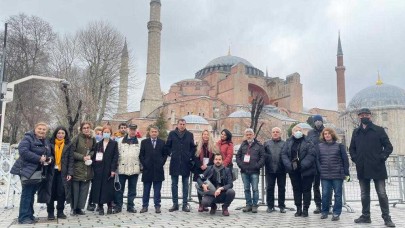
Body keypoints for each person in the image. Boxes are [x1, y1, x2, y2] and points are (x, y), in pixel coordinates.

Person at [349, 108, 395, 227]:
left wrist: (382, 157)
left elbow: (388, 147)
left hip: (377, 167)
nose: (364, 117)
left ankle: (387, 218)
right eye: (362, 115)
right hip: (362, 167)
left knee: (382, 193)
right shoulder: (356, 132)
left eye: (367, 115)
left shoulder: (379, 130)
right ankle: (366, 216)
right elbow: (352, 148)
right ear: (359, 117)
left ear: (370, 116)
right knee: (364, 193)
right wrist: (356, 159)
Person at [11, 122, 53, 224]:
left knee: (31, 193)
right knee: (27, 194)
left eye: (44, 129)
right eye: (40, 129)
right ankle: (23, 217)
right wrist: (39, 159)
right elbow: (24, 152)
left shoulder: (45, 141)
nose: (41, 131)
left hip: (38, 171)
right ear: (35, 129)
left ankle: (29, 215)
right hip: (27, 170)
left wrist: (49, 159)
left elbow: (49, 153)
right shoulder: (28, 138)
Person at [281, 125, 316, 217]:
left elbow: (311, 155)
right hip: (293, 170)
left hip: (306, 170)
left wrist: (302, 165)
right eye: (296, 130)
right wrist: (289, 165)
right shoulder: (288, 142)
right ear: (292, 132)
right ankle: (298, 208)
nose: (298, 131)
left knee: (306, 190)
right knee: (296, 189)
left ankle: (305, 209)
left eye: (300, 130)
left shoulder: (308, 142)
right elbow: (284, 154)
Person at [318, 127, 349, 221]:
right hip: (324, 175)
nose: (327, 135)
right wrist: (320, 170)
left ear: (332, 134)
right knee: (325, 194)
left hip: (337, 174)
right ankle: (324, 212)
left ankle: (336, 213)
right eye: (325, 134)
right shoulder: (319, 146)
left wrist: (346, 174)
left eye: (329, 133)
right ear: (323, 136)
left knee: (338, 195)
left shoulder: (339, 146)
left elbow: (345, 160)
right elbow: (317, 160)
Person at [166, 119, 196, 212]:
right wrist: (171, 153)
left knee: (185, 185)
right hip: (175, 162)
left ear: (185, 125)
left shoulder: (189, 135)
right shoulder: (172, 134)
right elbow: (167, 146)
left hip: (185, 163)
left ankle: (184, 204)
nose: (182, 126)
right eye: (180, 124)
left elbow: (192, 147)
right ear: (177, 124)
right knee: (174, 184)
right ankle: (175, 204)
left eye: (183, 124)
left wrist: (189, 156)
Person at [46, 126, 74, 220]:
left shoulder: (69, 144)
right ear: (55, 134)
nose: (60, 135)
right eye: (59, 133)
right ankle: (50, 212)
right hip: (51, 171)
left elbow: (71, 159)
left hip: (63, 172)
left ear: (65, 134)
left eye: (62, 133)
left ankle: (60, 212)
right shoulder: (50, 143)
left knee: (61, 192)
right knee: (50, 191)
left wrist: (70, 173)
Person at [91, 125, 119, 215]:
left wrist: (113, 169)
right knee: (98, 188)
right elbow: (95, 156)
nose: (106, 134)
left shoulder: (114, 144)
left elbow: (115, 157)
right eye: (105, 132)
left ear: (110, 133)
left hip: (108, 169)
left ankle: (110, 206)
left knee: (108, 189)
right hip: (99, 169)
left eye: (108, 132)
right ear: (102, 133)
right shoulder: (98, 144)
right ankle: (100, 206)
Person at [236, 128, 265, 213]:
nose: (248, 136)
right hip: (244, 171)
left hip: (254, 171)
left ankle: (255, 205)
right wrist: (241, 165)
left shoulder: (259, 145)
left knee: (255, 189)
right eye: (247, 134)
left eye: (250, 134)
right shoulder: (243, 145)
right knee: (246, 189)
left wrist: (257, 166)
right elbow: (238, 156)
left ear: (254, 135)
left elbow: (263, 157)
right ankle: (248, 205)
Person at [139, 126, 168, 213]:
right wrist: (145, 164)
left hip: (158, 170)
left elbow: (164, 155)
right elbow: (141, 155)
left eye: (155, 131)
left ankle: (157, 206)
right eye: (152, 131)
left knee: (157, 190)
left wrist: (161, 163)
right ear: (150, 133)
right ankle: (144, 206)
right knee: (146, 189)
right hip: (147, 170)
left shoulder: (162, 142)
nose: (154, 133)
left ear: (158, 133)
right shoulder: (144, 142)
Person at [114, 124, 141, 213]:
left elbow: (141, 156)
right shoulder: (120, 141)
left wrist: (141, 167)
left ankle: (130, 206)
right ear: (128, 130)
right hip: (122, 169)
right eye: (131, 129)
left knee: (132, 190)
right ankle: (118, 206)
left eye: (134, 130)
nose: (132, 131)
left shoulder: (140, 142)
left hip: (134, 169)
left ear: (136, 131)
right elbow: (116, 154)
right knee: (119, 189)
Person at [71, 121, 96, 216]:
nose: (86, 129)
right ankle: (74, 208)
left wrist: (90, 155)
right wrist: (82, 157)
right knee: (75, 190)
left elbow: (94, 149)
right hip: (77, 167)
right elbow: (71, 152)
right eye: (84, 128)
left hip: (87, 168)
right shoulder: (76, 138)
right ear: (81, 129)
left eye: (88, 127)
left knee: (84, 190)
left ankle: (80, 208)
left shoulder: (92, 139)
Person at [193, 130, 217, 212]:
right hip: (199, 169)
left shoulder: (212, 146)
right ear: (202, 135)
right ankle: (200, 204)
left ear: (209, 136)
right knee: (200, 186)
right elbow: (195, 157)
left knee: (208, 185)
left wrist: (207, 165)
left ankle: (205, 204)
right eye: (204, 134)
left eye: (207, 134)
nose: (206, 136)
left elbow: (214, 158)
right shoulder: (198, 145)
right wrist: (200, 165)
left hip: (209, 169)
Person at [264, 127, 287, 213]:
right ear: (271, 133)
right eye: (273, 132)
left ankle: (281, 206)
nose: (275, 133)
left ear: (280, 134)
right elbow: (263, 156)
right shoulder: (266, 143)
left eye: (277, 132)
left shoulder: (284, 144)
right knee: (269, 188)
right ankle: (270, 206)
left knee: (282, 188)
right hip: (269, 170)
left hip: (281, 170)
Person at [307, 114, 324, 214]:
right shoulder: (310, 133)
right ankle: (318, 205)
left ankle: (328, 204)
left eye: (319, 120)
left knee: (326, 185)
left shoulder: (326, 131)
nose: (318, 122)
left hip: (325, 161)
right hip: (314, 163)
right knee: (316, 185)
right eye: (316, 120)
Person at [86, 125, 103, 212]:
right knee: (93, 187)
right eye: (97, 133)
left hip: (101, 167)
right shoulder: (93, 142)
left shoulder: (104, 143)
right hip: (92, 166)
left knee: (99, 187)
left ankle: (99, 204)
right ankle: (90, 203)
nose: (99, 135)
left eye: (101, 133)